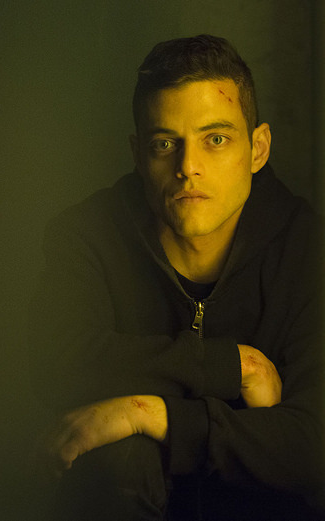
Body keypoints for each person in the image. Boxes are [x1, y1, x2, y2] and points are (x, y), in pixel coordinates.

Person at [31, 35, 324, 520]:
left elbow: (313, 446)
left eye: (216, 139)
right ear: (138, 154)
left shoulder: (309, 251)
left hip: (262, 509)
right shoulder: (88, 235)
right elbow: (55, 364)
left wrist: (147, 414)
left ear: (258, 148)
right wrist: (231, 367)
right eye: (165, 144)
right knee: (120, 458)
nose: (188, 168)